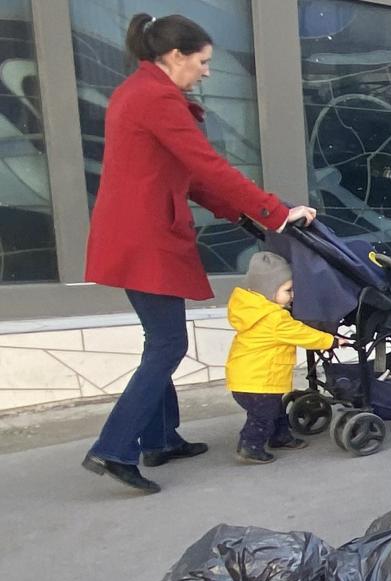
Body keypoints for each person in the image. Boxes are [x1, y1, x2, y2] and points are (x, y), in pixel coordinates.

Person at [81, 14, 317, 493]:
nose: (207, 71)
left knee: (159, 341)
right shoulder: (158, 98)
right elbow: (207, 166)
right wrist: (275, 213)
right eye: (203, 61)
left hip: (133, 236)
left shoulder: (138, 92)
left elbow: (190, 179)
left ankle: (161, 439)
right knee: (168, 345)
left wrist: (249, 215)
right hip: (147, 239)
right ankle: (113, 448)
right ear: (176, 56)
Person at [225, 253, 346, 464]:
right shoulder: (274, 319)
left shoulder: (252, 310)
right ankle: (249, 446)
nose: (292, 295)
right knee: (263, 416)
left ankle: (280, 436)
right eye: (287, 290)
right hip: (258, 381)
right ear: (270, 292)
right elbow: (302, 334)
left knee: (274, 408)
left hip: (246, 378)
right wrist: (332, 341)